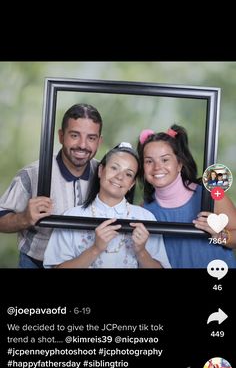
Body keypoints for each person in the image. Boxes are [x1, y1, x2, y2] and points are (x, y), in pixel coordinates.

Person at [0, 104, 103, 268]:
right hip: (36, 263)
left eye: (91, 138)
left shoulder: (105, 175)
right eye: (75, 135)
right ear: (61, 136)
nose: (82, 145)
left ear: (99, 141)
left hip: (88, 264)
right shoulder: (32, 173)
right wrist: (24, 218)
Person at [43, 143, 171, 269]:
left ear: (132, 184)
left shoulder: (145, 218)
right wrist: (95, 249)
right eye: (114, 168)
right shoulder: (72, 216)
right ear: (100, 170)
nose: (120, 177)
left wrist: (141, 251)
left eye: (128, 174)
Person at [137, 125, 236, 268]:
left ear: (179, 164)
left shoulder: (211, 196)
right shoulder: (143, 210)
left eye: (165, 160)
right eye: (149, 161)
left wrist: (220, 235)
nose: (157, 167)